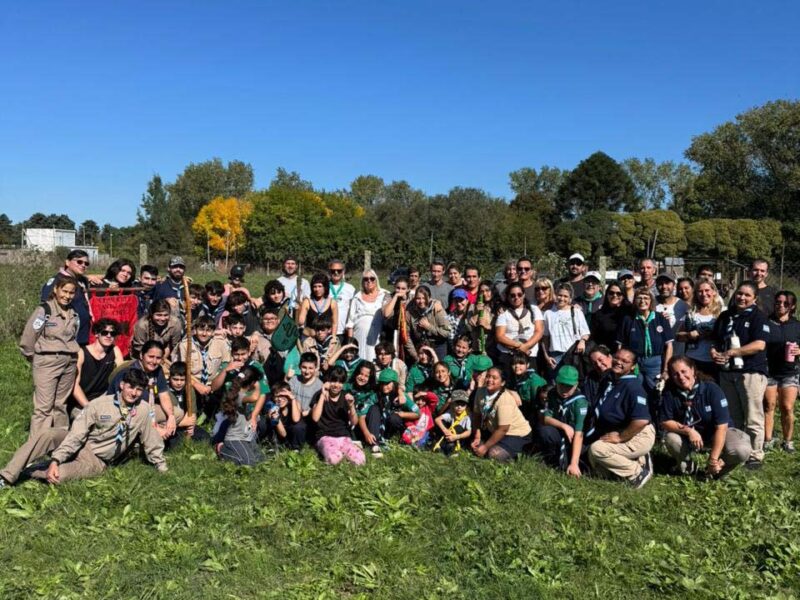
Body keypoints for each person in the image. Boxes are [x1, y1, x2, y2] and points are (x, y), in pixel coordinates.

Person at [0, 368, 166, 489]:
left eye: (139, 389)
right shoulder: (99, 405)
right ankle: (6, 476)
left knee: (59, 476)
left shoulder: (143, 410)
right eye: (131, 387)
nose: (134, 393)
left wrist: (161, 465)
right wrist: (58, 458)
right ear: (122, 385)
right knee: (48, 434)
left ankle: (30, 470)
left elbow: (151, 439)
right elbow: (77, 434)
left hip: (96, 460)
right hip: (82, 444)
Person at [711, 281, 771, 469]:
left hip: (750, 372)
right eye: (739, 294)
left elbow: (759, 345)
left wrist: (732, 353)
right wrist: (715, 353)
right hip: (727, 373)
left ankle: (755, 454)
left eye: (747, 295)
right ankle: (737, 450)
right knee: (733, 415)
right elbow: (716, 340)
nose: (742, 298)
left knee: (753, 415)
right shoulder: (725, 316)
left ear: (754, 298)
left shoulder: (758, 317)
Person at [660, 356, 751, 478]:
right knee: (671, 438)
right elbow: (665, 421)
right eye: (675, 374)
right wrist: (689, 431)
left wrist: (713, 459)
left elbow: (722, 427)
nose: (681, 377)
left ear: (693, 370)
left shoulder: (712, 389)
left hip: (717, 433)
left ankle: (717, 469)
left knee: (741, 449)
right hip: (689, 437)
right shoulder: (669, 393)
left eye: (683, 371)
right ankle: (688, 466)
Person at [585, 348, 655, 488]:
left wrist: (620, 437)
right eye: (617, 358)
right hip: (616, 430)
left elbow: (641, 420)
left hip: (637, 434)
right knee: (596, 465)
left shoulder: (633, 387)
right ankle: (637, 459)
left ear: (633, 366)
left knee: (597, 450)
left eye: (625, 361)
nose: (619, 362)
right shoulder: (610, 380)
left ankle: (638, 472)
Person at [21, 273, 81, 436]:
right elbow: (28, 338)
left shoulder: (73, 313)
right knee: (44, 407)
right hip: (47, 361)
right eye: (64, 291)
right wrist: (34, 358)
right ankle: (36, 449)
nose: (67, 296)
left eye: (71, 293)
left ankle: (58, 443)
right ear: (55, 289)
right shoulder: (44, 310)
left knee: (60, 405)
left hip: (69, 362)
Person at [109, 340, 178, 439]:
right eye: (150, 357)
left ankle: (156, 435)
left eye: (158, 358)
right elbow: (124, 406)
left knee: (177, 414)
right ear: (141, 355)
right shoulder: (130, 372)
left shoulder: (157, 371)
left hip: (148, 408)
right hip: (126, 412)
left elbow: (164, 395)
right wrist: (153, 427)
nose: (154, 362)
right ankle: (144, 438)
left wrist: (171, 416)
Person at [616, 287, 673, 403]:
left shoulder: (661, 318)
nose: (642, 301)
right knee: (635, 394)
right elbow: (620, 346)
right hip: (635, 363)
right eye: (639, 298)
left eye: (646, 298)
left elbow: (669, 346)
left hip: (655, 363)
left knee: (657, 393)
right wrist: (621, 365)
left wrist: (666, 369)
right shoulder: (628, 320)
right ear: (635, 301)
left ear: (651, 301)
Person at [533, 366, 588, 477]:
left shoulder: (580, 402)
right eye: (561, 385)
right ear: (556, 382)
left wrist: (574, 463)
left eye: (569, 387)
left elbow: (579, 433)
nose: (564, 390)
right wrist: (564, 426)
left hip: (578, 439)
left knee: (580, 457)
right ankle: (550, 457)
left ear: (576, 385)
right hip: (562, 432)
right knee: (544, 430)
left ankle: (573, 463)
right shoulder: (552, 394)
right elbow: (546, 418)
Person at [171, 315, 230, 419]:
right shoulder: (185, 345)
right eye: (201, 329)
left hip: (214, 382)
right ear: (195, 330)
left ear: (213, 332)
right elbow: (182, 370)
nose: (204, 333)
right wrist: (197, 385)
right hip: (194, 382)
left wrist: (215, 383)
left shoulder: (220, 343)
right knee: (189, 389)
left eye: (208, 330)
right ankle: (192, 416)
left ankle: (219, 414)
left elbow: (226, 363)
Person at [764, 291, 800, 452]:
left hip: (789, 371)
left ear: (792, 306)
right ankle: (767, 439)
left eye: (786, 303)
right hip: (769, 370)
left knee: (787, 407)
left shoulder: (797, 325)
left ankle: (788, 441)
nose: (781, 305)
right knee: (769, 406)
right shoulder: (767, 322)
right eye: (778, 302)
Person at [471, 367, 532, 462]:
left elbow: (503, 429)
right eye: (488, 376)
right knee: (475, 444)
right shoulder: (480, 392)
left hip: (515, 433)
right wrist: (477, 436)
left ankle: (519, 453)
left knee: (494, 454)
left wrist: (485, 447)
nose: (490, 380)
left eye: (494, 378)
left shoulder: (505, 400)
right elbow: (477, 415)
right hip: (494, 430)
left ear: (502, 383)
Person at [310, 367, 366, 466]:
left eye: (340, 382)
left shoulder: (346, 397)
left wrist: (351, 406)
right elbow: (315, 418)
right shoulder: (319, 395)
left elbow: (354, 422)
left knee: (360, 460)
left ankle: (348, 450)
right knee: (334, 459)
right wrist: (323, 395)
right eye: (333, 381)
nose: (336, 385)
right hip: (325, 435)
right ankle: (333, 452)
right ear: (328, 381)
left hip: (343, 435)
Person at [70, 318, 124, 420]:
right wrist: (89, 408)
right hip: (81, 403)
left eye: (112, 333)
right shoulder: (81, 353)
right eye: (104, 332)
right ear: (96, 334)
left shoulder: (115, 350)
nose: (109, 336)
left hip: (103, 400)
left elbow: (121, 376)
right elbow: (74, 386)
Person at [211, 367, 265, 466]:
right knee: (249, 463)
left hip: (246, 437)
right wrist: (258, 386)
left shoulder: (241, 393)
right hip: (235, 438)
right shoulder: (238, 396)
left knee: (261, 460)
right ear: (252, 382)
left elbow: (261, 396)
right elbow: (255, 397)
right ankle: (222, 449)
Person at [41, 249, 92, 344]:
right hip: (65, 337)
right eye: (79, 261)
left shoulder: (81, 281)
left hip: (83, 336)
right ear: (67, 262)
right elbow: (46, 306)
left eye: (86, 263)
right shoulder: (57, 280)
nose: (83, 265)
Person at [494, 282, 545, 376]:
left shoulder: (534, 309)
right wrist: (520, 346)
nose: (516, 297)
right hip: (508, 354)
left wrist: (526, 346)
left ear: (524, 295)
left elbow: (539, 331)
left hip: (529, 354)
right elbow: (500, 336)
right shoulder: (504, 312)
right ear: (508, 297)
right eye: (512, 295)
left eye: (519, 294)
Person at [676, 278, 721, 378]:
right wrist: (689, 335)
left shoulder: (722, 312)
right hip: (693, 360)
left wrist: (707, 333)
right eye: (700, 291)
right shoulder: (691, 313)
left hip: (713, 361)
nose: (704, 294)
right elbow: (678, 336)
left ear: (713, 292)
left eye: (707, 290)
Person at [541, 283, 589, 376]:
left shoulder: (577, 312)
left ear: (570, 298)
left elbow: (585, 332)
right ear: (555, 295)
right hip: (555, 354)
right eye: (560, 295)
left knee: (572, 381)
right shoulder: (548, 314)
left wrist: (582, 341)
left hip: (573, 353)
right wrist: (546, 356)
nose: (562, 298)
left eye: (565, 296)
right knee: (555, 383)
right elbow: (545, 337)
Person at [345, 269, 388, 362]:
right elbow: (350, 322)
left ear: (376, 280)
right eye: (366, 279)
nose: (369, 281)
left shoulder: (384, 294)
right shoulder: (357, 297)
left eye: (372, 278)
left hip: (377, 336)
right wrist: (350, 343)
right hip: (359, 336)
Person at [403, 285, 451, 361]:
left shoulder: (438, 309)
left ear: (429, 298)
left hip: (438, 345)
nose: (421, 301)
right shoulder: (410, 313)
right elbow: (406, 336)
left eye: (424, 298)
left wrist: (429, 326)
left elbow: (447, 332)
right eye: (418, 298)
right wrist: (415, 355)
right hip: (420, 346)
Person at [262, 381, 306, 449]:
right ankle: (272, 445)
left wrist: (293, 399)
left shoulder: (295, 403)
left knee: (299, 426)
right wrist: (276, 418)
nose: (279, 399)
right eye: (277, 396)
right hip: (280, 434)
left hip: (291, 432)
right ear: (273, 397)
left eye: (283, 396)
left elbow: (296, 419)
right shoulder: (272, 406)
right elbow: (283, 434)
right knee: (266, 423)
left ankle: (296, 447)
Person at [507, 350, 547, 423]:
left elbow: (536, 404)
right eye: (514, 363)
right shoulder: (513, 377)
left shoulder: (534, 380)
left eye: (521, 363)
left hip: (534, 413)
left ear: (527, 365)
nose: (517, 366)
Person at [655, 272, 689, 355]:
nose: (664, 287)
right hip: (656, 355)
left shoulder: (683, 306)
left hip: (677, 354)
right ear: (656, 286)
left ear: (674, 285)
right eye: (660, 284)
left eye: (667, 283)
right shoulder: (651, 303)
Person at [297, 273, 338, 339]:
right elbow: (300, 322)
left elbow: (335, 323)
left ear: (325, 287)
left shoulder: (332, 302)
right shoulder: (307, 302)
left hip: (325, 339)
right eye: (315, 286)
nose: (317, 289)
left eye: (320, 286)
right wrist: (299, 308)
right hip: (309, 338)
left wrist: (333, 339)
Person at [590, 281, 630, 350]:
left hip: (626, 354)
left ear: (623, 296)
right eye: (611, 293)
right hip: (605, 353)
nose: (615, 295)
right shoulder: (598, 314)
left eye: (619, 293)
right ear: (607, 295)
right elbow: (594, 337)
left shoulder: (630, 312)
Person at [433, 389, 473, 455]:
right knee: (442, 423)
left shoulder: (467, 416)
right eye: (457, 404)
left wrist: (456, 437)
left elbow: (469, 432)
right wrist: (445, 430)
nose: (459, 407)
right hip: (449, 434)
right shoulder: (451, 411)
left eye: (462, 404)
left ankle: (452, 448)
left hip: (460, 437)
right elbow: (437, 419)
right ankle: (442, 446)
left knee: (458, 427)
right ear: (452, 404)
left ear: (466, 405)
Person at [288, 352, 324, 419]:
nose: (307, 371)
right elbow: (283, 392)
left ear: (315, 368)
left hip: (310, 417)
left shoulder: (319, 385)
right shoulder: (294, 380)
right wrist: (286, 378)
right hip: (294, 414)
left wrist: (310, 412)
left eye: (310, 368)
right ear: (299, 367)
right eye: (304, 367)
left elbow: (319, 406)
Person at [328, 259, 356, 339]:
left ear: (343, 272)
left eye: (339, 271)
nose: (336, 273)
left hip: (344, 331)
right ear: (329, 272)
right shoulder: (324, 287)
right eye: (333, 271)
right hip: (327, 331)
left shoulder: (350, 289)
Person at [381, 276, 410, 346]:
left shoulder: (411, 298)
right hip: (390, 331)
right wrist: (395, 297)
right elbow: (386, 314)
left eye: (403, 289)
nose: (400, 291)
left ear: (408, 289)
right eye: (398, 288)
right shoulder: (388, 296)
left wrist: (405, 301)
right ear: (394, 287)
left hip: (406, 332)